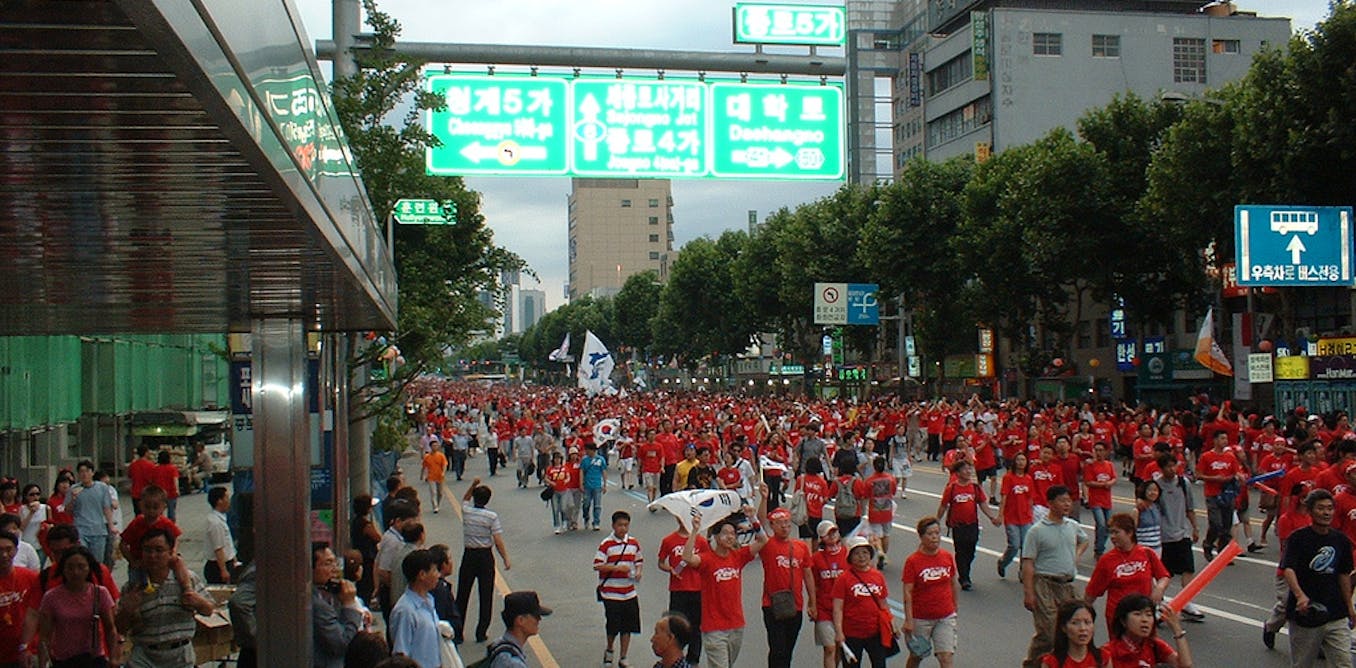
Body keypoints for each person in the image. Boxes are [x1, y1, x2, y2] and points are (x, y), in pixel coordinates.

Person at [682, 504, 770, 668]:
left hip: (736, 625)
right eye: (725, 533)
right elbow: (687, 557)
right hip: (714, 628)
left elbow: (763, 540)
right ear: (715, 537)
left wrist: (753, 518)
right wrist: (694, 531)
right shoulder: (707, 560)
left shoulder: (738, 556)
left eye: (733, 534)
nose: (730, 537)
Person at [115, 528, 214, 667]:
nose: (153, 556)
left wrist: (196, 601)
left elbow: (209, 610)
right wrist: (127, 610)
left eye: (159, 550)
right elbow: (120, 629)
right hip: (145, 657)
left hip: (180, 656)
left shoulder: (187, 579)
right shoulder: (133, 587)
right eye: (147, 550)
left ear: (170, 552)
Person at [1283, 489, 1356, 667]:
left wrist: (1349, 607)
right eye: (1321, 508)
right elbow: (1288, 569)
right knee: (1302, 663)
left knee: (1344, 663)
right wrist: (1300, 596)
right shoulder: (1298, 538)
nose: (1326, 513)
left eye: (1330, 508)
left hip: (1335, 613)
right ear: (1310, 510)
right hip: (1307, 613)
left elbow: (1344, 575)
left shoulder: (1341, 541)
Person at [1020, 485, 1089, 668]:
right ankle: (1032, 664)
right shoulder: (1037, 531)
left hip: (1067, 585)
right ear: (1050, 503)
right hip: (1044, 584)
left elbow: (1084, 540)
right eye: (1062, 500)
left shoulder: (1072, 526)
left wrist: (1077, 555)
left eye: (1069, 501)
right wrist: (1029, 593)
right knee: (1049, 632)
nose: (1067, 504)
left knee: (1071, 629)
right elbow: (1028, 563)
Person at [1083, 513, 1169, 635]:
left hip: (1144, 617)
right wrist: (1084, 616)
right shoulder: (1107, 560)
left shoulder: (1146, 553)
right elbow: (1091, 593)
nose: (1112, 537)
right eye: (1110, 532)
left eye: (1116, 532)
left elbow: (1164, 576)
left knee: (1147, 650)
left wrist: (1159, 588)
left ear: (1129, 533)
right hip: (1119, 618)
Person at [37, 546, 121, 667]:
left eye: (81, 567)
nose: (75, 572)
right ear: (63, 569)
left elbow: (110, 629)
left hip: (93, 659)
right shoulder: (51, 597)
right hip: (63, 660)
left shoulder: (99, 594)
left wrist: (113, 657)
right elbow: (45, 636)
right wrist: (42, 663)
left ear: (89, 569)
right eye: (70, 567)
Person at [756, 507, 814, 668]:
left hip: (795, 605)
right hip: (772, 604)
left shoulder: (801, 547)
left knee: (788, 649)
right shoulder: (767, 545)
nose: (784, 527)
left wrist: (812, 602)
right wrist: (764, 498)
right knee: (778, 649)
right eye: (780, 523)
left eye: (787, 523)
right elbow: (759, 525)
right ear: (772, 525)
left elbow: (808, 575)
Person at [455, 479, 511, 645]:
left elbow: (464, 499)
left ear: (474, 498)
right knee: (485, 594)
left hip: (469, 555)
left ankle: (458, 630)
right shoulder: (491, 517)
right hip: (485, 556)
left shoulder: (467, 512)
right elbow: (498, 540)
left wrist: (472, 485)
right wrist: (505, 557)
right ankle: (481, 631)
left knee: (463, 593)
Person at [900, 516, 959, 668]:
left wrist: (954, 607)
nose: (934, 538)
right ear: (921, 536)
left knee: (946, 657)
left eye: (937, 533)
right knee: (916, 656)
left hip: (945, 616)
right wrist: (908, 619)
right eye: (930, 534)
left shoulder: (947, 556)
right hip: (921, 618)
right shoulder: (913, 561)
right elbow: (908, 591)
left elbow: (953, 583)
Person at [1153, 451, 1205, 622]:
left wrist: (1195, 527)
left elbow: (1190, 508)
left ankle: (1186, 602)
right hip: (1164, 536)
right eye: (1168, 466)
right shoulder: (1156, 486)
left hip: (1182, 533)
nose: (1172, 469)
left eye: (1173, 465)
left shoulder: (1184, 483)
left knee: (1188, 568)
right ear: (1161, 468)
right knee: (1164, 575)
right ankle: (1158, 605)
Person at [936, 461, 998, 590]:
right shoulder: (952, 488)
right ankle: (964, 577)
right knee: (960, 551)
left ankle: (966, 570)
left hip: (972, 524)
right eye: (965, 469)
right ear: (958, 473)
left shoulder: (975, 487)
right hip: (958, 526)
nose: (969, 472)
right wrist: (937, 520)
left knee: (971, 550)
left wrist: (992, 517)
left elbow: (982, 504)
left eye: (970, 469)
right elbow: (943, 505)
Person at [832, 535, 892, 668]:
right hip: (851, 633)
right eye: (857, 553)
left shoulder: (877, 576)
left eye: (865, 552)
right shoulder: (843, 579)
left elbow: (883, 603)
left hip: (875, 632)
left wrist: (891, 623)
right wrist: (839, 632)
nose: (861, 556)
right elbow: (838, 608)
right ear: (850, 557)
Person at [595, 510, 643, 667]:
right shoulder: (606, 544)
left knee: (628, 626)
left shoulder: (633, 543)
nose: (623, 528)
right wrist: (616, 568)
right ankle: (609, 650)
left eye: (626, 525)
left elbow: (639, 560)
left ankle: (624, 656)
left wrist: (638, 572)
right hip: (611, 593)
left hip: (629, 592)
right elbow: (597, 565)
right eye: (620, 525)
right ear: (613, 526)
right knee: (613, 626)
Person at [657, 516, 706, 666]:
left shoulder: (701, 541)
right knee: (677, 626)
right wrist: (670, 569)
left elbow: (706, 561)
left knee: (696, 627)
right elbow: (661, 562)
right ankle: (676, 657)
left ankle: (693, 660)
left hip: (697, 589)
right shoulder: (669, 540)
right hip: (678, 589)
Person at [312, 542, 365, 668]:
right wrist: (350, 606)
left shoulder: (325, 595)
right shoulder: (318, 605)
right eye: (327, 563)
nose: (334, 569)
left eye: (335, 563)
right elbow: (341, 642)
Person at [1102, 595, 1193, 668]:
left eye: (1149, 615)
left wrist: (1177, 629)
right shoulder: (1108, 652)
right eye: (1137, 614)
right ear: (1123, 621)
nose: (1145, 620)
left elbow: (1185, 665)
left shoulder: (1154, 645)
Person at [388, 549, 442, 668]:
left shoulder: (429, 600)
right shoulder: (405, 611)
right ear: (422, 575)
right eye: (435, 570)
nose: (439, 575)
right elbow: (401, 654)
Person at [1197, 430, 1242, 561]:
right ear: (1215, 440)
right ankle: (1208, 544)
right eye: (1222, 438)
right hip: (1212, 494)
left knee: (1227, 525)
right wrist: (1213, 478)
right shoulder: (1206, 456)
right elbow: (1198, 474)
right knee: (1216, 523)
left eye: (1226, 439)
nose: (1225, 441)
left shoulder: (1230, 457)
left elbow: (1236, 472)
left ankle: (1222, 554)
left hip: (1227, 494)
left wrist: (1238, 477)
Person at [484, 590, 551, 668]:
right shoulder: (513, 663)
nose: (539, 619)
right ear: (520, 620)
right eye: (535, 616)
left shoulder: (498, 644)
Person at [0, 530, 37, 668]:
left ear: (16, 550)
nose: (4, 555)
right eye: (0, 550)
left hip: (26, 651)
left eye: (8, 549)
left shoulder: (30, 577)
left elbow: (39, 613)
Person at [67, 460, 116, 565]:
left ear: (92, 473)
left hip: (98, 530)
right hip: (80, 528)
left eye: (87, 471)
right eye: (81, 471)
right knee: (82, 558)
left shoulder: (102, 487)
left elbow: (107, 508)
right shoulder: (73, 489)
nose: (84, 474)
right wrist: (73, 499)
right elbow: (67, 511)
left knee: (97, 562)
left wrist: (111, 525)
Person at [998, 451, 1035, 578]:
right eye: (1018, 460)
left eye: (1023, 460)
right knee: (1014, 545)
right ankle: (1003, 562)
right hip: (1011, 517)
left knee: (1026, 546)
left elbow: (1030, 499)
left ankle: (1022, 572)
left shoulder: (1028, 479)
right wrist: (1000, 515)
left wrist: (1031, 515)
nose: (1020, 463)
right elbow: (1004, 497)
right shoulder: (1008, 478)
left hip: (1026, 517)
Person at [1039, 600, 1100, 668]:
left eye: (1087, 622)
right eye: (1075, 623)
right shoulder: (1051, 662)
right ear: (1064, 627)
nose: (1083, 628)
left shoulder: (1102, 658)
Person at [1082, 442, 1117, 558]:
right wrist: (1102, 485)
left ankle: (1099, 545)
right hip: (1095, 500)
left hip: (1107, 500)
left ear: (1106, 452)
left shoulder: (1109, 465)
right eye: (1096, 450)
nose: (1098, 453)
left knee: (1108, 525)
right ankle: (1099, 549)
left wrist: (1110, 483)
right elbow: (1088, 482)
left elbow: (1114, 478)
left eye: (1101, 450)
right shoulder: (1090, 465)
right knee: (1101, 523)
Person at [863, 457, 897, 569]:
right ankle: (884, 555)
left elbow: (866, 495)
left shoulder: (869, 480)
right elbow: (894, 492)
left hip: (875, 510)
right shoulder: (891, 479)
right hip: (887, 509)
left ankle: (880, 552)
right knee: (886, 534)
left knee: (876, 535)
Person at [350, 494, 382, 605]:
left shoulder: (356, 522)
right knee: (367, 586)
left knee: (362, 585)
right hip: (367, 558)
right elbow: (377, 538)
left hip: (361, 555)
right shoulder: (365, 525)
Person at [204, 486, 237, 584]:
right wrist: (223, 570)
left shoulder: (221, 519)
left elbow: (228, 543)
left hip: (227, 562)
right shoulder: (215, 523)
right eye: (226, 497)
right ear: (219, 501)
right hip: (217, 567)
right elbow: (218, 548)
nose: (229, 501)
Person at [581, 443, 608, 531]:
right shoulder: (584, 460)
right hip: (587, 485)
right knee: (586, 504)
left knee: (597, 505)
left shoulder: (600, 459)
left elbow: (604, 471)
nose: (587, 451)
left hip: (597, 485)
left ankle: (596, 522)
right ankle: (586, 517)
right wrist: (581, 484)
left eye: (588, 450)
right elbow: (581, 472)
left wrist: (604, 484)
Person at [151, 450, 182, 522]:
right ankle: (170, 527)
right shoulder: (172, 468)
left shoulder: (155, 469)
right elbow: (175, 480)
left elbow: (152, 481)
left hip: (159, 494)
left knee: (159, 512)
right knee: (171, 512)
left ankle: (160, 525)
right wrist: (177, 490)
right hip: (171, 493)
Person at [128, 446, 155, 516]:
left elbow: (130, 475)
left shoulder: (133, 465)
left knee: (137, 514)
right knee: (148, 514)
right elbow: (152, 480)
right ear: (146, 453)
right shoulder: (151, 465)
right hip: (147, 493)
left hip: (135, 492)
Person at [421, 445, 448, 513]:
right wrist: (422, 475)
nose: (435, 447)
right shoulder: (427, 456)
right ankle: (435, 506)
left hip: (439, 476)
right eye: (433, 446)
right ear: (430, 447)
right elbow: (424, 466)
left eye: (436, 446)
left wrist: (443, 472)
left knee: (440, 493)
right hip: (431, 477)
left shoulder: (441, 455)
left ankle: (438, 504)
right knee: (433, 492)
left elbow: (444, 464)